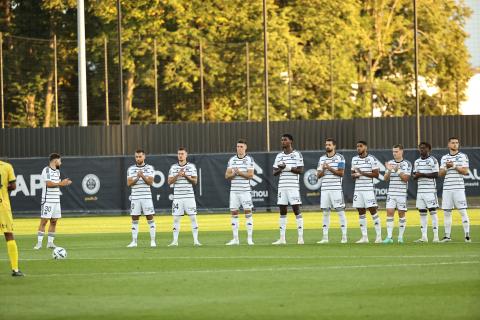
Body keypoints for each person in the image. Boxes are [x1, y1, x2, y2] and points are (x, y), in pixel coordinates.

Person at [34, 153, 72, 250]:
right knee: (44, 221)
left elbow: (56, 184)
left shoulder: (58, 172)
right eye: (60, 160)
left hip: (56, 200)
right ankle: (39, 243)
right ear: (55, 161)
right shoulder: (46, 170)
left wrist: (63, 183)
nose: (61, 162)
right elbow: (49, 184)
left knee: (54, 221)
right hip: (47, 200)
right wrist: (61, 183)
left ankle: (50, 243)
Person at [272, 134, 304, 245]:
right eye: (281, 140)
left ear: (291, 141)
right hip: (282, 187)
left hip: (293, 187)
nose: (282, 142)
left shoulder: (297, 154)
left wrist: (287, 167)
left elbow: (300, 170)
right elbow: (274, 173)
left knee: (296, 210)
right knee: (282, 211)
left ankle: (300, 238)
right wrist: (280, 169)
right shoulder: (279, 156)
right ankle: (282, 238)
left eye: (285, 140)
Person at [439, 137, 471, 242]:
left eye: (457, 143)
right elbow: (440, 173)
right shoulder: (444, 158)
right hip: (447, 188)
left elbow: (466, 171)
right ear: (448, 144)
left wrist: (454, 165)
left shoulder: (463, 156)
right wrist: (447, 168)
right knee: (447, 212)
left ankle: (467, 236)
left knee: (462, 211)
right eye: (453, 143)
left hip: (458, 188)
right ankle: (447, 236)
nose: (455, 144)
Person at [167, 147, 201, 246]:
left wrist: (186, 175)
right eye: (179, 154)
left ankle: (196, 241)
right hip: (177, 197)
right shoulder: (173, 167)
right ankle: (175, 241)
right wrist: (178, 175)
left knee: (193, 218)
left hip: (189, 197)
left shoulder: (191, 167)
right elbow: (169, 182)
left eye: (182, 153)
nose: (180, 155)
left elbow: (195, 181)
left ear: (186, 155)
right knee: (176, 219)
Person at [316, 138, 347, 244]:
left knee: (340, 212)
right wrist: (324, 169)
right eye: (326, 145)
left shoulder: (340, 158)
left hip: (336, 189)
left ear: (334, 146)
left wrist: (329, 168)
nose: (327, 146)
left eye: (329, 145)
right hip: (325, 189)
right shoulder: (321, 159)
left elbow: (341, 173)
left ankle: (344, 237)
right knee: (325, 212)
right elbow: (318, 176)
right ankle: (325, 238)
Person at [351, 141, 382, 243]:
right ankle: (364, 237)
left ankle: (379, 237)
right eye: (357, 147)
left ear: (366, 147)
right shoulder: (354, 159)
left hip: (368, 189)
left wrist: (362, 173)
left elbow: (376, 174)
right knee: (361, 212)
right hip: (358, 189)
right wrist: (355, 175)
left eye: (361, 146)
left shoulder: (372, 159)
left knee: (373, 210)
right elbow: (352, 175)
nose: (358, 148)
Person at [225, 139, 255, 245]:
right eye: (238, 146)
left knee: (248, 213)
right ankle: (235, 239)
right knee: (234, 213)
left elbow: (250, 175)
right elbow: (227, 176)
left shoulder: (249, 160)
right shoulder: (232, 160)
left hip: (245, 191)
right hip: (234, 192)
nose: (239, 148)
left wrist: (240, 173)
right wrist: (234, 174)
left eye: (241, 146)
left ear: (245, 147)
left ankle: (249, 239)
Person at [126, 149, 156, 248]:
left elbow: (150, 183)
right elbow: (129, 183)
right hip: (135, 198)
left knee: (150, 218)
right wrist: (137, 178)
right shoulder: (131, 169)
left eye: (140, 156)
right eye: (136, 157)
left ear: (144, 157)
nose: (138, 158)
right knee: (134, 219)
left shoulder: (150, 168)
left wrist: (142, 176)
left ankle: (152, 241)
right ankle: (134, 242)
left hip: (146, 197)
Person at [382, 144, 412, 244]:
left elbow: (406, 179)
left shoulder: (407, 164)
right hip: (391, 193)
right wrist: (389, 170)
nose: (394, 153)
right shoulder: (390, 163)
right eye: (393, 152)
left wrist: (397, 170)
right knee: (389, 212)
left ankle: (400, 237)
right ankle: (389, 237)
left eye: (396, 151)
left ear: (401, 151)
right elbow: (385, 178)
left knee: (401, 214)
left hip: (401, 194)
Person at [0, 159, 24, 276]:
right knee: (9, 235)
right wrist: (4, 188)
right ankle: (15, 269)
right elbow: (14, 186)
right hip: (2, 206)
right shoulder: (6, 166)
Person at [413, 142, 440, 243]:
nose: (421, 150)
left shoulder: (433, 160)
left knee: (433, 212)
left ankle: (436, 237)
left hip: (430, 191)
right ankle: (424, 237)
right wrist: (416, 176)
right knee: (422, 214)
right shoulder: (417, 162)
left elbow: (436, 174)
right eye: (420, 148)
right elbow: (414, 176)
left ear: (429, 149)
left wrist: (422, 174)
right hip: (420, 192)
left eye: (423, 148)